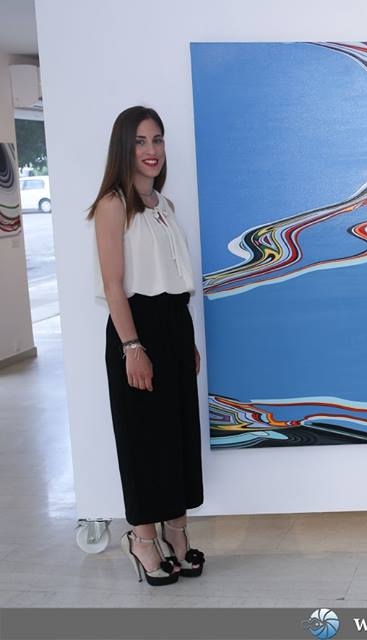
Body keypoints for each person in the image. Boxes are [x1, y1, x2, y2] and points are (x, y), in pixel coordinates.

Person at [89, 106, 205, 585]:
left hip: (174, 324)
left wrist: (187, 340)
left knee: (177, 436)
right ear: (124, 147)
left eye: (157, 139)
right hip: (137, 327)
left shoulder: (164, 205)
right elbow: (114, 285)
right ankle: (141, 538)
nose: (151, 150)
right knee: (143, 440)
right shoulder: (113, 205)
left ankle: (175, 531)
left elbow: (175, 281)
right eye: (140, 141)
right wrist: (132, 346)